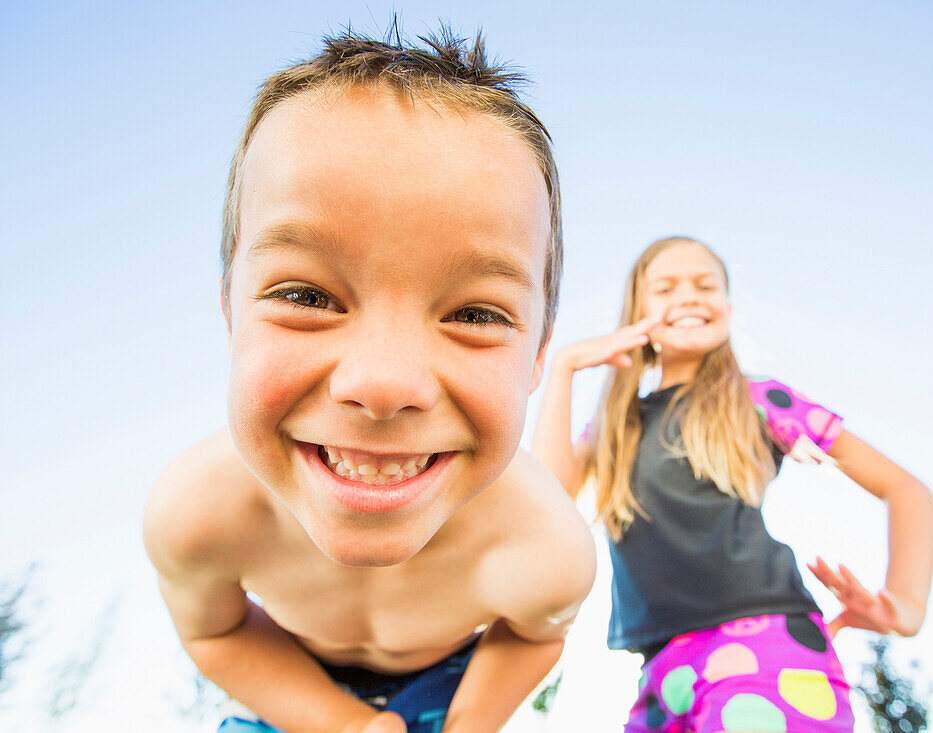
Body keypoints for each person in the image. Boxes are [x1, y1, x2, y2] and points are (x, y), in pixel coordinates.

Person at [143, 28, 596, 733]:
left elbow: (535, 635)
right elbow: (218, 633)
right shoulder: (197, 515)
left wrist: (463, 726)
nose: (383, 386)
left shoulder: (548, 548)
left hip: (458, 682)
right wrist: (347, 724)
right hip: (286, 675)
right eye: (306, 296)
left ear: (539, 348)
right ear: (230, 307)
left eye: (475, 312)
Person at [532, 236, 933, 732]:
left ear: (726, 306)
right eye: (666, 288)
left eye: (706, 285)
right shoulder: (615, 427)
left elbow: (906, 489)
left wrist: (906, 606)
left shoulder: (757, 399)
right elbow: (544, 509)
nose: (689, 297)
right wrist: (565, 368)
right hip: (660, 673)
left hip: (768, 651)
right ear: (636, 310)